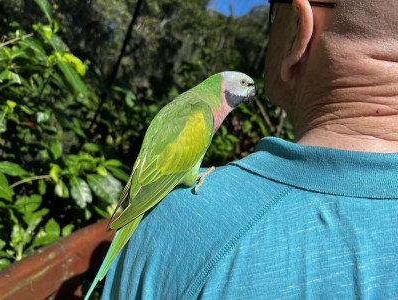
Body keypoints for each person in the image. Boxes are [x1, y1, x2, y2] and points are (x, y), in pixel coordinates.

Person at [102, 0, 398, 298]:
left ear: (298, 28)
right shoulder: (197, 112)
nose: (250, 91)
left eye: (272, 10)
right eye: (245, 84)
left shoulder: (171, 225)